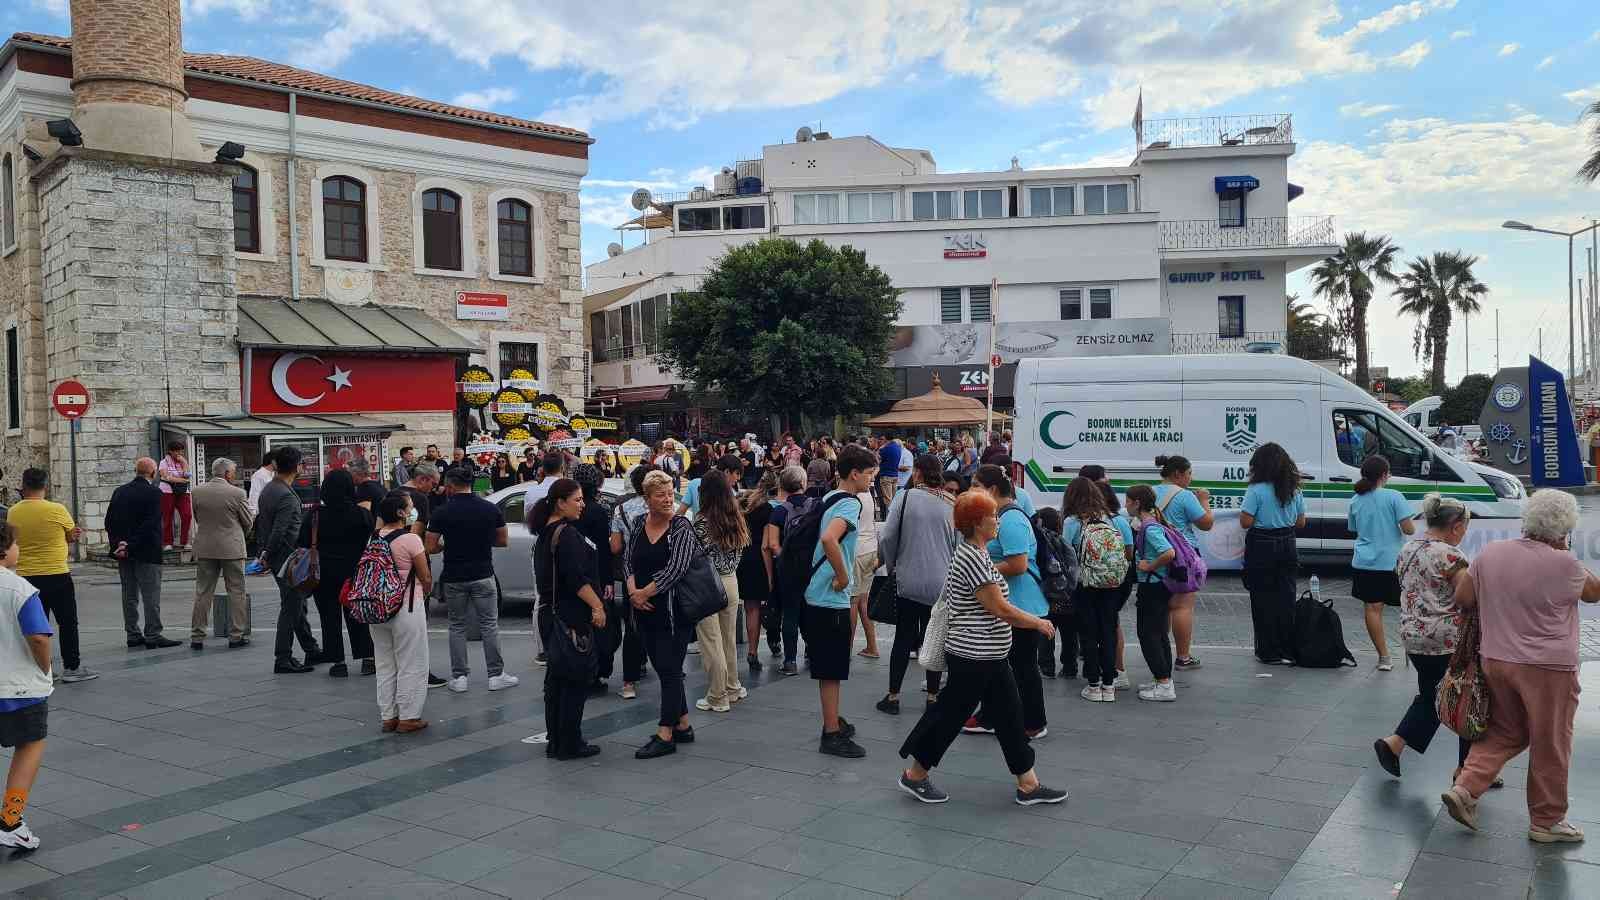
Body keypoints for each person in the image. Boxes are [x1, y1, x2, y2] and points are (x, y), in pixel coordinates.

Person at [1441, 490, 1600, 843]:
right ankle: (1547, 820)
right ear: (1565, 529)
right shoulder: (1566, 564)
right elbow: (1594, 592)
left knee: (1505, 732)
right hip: (1547, 668)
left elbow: (1463, 598)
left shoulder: (1491, 552)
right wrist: (1566, 554)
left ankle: (1465, 788)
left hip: (1496, 660)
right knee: (1551, 741)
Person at [896, 490, 1067, 807]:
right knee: (950, 716)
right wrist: (1037, 623)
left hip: (988, 654)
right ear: (977, 523)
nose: (998, 522)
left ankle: (1028, 784)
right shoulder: (973, 558)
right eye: (992, 517)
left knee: (1010, 717)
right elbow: (999, 608)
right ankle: (915, 775)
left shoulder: (977, 552)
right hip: (974, 655)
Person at [1374, 494, 1474, 781]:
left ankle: (1394, 745)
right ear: (1455, 526)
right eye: (1464, 528)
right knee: (1465, 698)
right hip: (1447, 639)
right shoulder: (1451, 555)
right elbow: (1466, 597)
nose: (1464, 534)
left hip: (1413, 637)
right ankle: (1467, 770)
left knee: (1433, 694)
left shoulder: (1408, 548)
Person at [805, 445, 876, 758]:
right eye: (870, 474)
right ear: (855, 473)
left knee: (828, 666)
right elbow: (829, 538)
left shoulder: (830, 497)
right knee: (832, 668)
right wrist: (844, 577)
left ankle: (834, 721)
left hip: (814, 592)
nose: (872, 480)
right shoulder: (849, 504)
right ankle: (831, 733)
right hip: (829, 596)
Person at [967, 465, 1048, 739]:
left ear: (991, 490)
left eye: (976, 485)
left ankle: (1033, 722)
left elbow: (1018, 564)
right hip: (1005, 604)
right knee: (998, 664)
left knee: (1023, 667)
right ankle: (991, 715)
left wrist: (979, 567)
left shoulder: (1011, 519)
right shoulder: (1000, 516)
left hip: (1021, 604)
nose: (971, 490)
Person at [531, 478, 607, 759]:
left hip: (551, 615)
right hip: (569, 616)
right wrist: (598, 607)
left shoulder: (546, 533)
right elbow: (576, 579)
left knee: (556, 681)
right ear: (560, 503)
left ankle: (557, 740)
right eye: (576, 500)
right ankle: (570, 742)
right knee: (574, 681)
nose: (582, 504)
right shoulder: (566, 534)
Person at [875, 454, 956, 715]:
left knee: (903, 636)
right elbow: (959, 544)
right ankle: (932, 697)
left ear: (918, 473)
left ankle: (893, 696)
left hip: (909, 578)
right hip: (941, 584)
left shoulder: (905, 497)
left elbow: (888, 537)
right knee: (933, 639)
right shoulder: (952, 503)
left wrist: (891, 564)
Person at [626, 470, 699, 759]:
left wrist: (646, 592)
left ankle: (665, 733)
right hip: (644, 610)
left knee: (670, 670)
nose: (668, 499)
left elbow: (677, 569)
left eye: (671, 493)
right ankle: (683, 723)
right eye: (661, 495)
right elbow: (627, 560)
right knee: (664, 667)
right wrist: (633, 591)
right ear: (647, 499)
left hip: (674, 612)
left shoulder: (681, 526)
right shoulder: (636, 523)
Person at [426, 468, 512, 693]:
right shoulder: (489, 508)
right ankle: (496, 675)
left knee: (456, 625)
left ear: (451, 486)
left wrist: (449, 544)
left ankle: (460, 677)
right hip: (483, 573)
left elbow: (430, 546)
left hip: (454, 576)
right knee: (489, 624)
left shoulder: (441, 512)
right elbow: (503, 540)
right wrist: (481, 541)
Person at [7, 469, 94, 682]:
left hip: (27, 575)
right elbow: (70, 535)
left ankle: (41, 668)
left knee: (35, 624)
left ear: (23, 486)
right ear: (45, 485)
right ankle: (72, 668)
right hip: (57, 573)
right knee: (67, 622)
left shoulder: (13, 512)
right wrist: (70, 536)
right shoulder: (57, 509)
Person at [0, 525, 54, 850]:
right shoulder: (19, 589)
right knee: (30, 745)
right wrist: (44, 665)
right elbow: (38, 636)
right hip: (18, 688)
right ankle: (10, 819)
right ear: (4, 550)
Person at [1060, 477, 1127, 702]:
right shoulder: (1112, 519)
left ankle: (1093, 684)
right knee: (1108, 630)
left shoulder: (1072, 522)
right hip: (1111, 582)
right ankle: (1109, 685)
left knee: (1088, 633)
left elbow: (1065, 555)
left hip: (1085, 584)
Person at [1240, 442, 1307, 665]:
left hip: (1261, 545)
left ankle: (1268, 651)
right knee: (1286, 597)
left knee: (1262, 598)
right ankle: (1287, 648)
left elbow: (1246, 521)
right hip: (1288, 543)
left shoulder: (1256, 489)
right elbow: (1301, 522)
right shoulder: (1294, 489)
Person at [371, 492, 431, 734]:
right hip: (406, 606)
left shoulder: (374, 538)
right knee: (411, 661)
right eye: (410, 507)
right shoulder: (411, 539)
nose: (412, 510)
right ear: (400, 512)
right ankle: (408, 716)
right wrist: (424, 592)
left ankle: (388, 716)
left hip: (377, 608)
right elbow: (425, 576)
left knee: (385, 663)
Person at [1348, 455, 1414, 671]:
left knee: (1372, 609)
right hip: (1392, 562)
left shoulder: (1356, 500)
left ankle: (1384, 657)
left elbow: (1354, 529)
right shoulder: (1394, 496)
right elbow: (1409, 529)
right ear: (1385, 475)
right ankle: (1412, 652)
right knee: (1406, 608)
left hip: (1364, 562)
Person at [691, 471, 749, 713]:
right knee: (728, 639)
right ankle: (733, 686)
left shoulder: (701, 521)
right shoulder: (736, 518)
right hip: (731, 582)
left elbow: (695, 556)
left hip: (707, 585)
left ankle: (717, 695)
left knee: (711, 642)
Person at [105, 458, 179, 649]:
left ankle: (132, 633)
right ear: (153, 473)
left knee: (129, 594)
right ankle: (153, 634)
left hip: (123, 552)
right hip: (146, 551)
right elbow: (151, 524)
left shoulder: (119, 491)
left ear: (135, 471)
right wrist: (130, 544)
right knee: (150, 594)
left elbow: (109, 522)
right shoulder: (154, 493)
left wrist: (119, 544)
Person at [257, 446, 319, 673]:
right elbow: (279, 531)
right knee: (291, 607)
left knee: (296, 604)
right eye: (303, 463)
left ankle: (311, 649)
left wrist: (265, 553)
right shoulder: (284, 494)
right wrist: (267, 554)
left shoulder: (271, 489)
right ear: (296, 467)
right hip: (287, 559)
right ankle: (282, 657)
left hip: (279, 558)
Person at [312, 469, 376, 678]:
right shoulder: (361, 514)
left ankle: (338, 662)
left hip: (325, 575)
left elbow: (303, 543)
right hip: (355, 573)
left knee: (329, 618)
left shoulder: (316, 515)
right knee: (358, 615)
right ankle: (367, 658)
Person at [1151, 455, 1211, 670]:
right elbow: (1206, 523)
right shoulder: (1185, 496)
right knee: (1181, 606)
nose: (1190, 478)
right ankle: (1183, 657)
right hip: (1183, 556)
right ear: (1178, 474)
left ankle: (1160, 651)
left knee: (1161, 607)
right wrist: (1204, 500)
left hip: (1155, 553)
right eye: (1189, 474)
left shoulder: (1150, 492)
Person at [189, 458, 254, 651]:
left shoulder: (197, 491)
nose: (234, 475)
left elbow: (198, 517)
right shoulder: (237, 493)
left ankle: (197, 636)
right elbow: (248, 521)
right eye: (233, 472)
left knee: (202, 592)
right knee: (236, 591)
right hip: (232, 547)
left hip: (206, 546)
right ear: (227, 474)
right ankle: (236, 635)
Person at [609, 463, 657, 699]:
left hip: (633, 574)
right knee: (665, 624)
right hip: (659, 573)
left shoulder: (621, 510)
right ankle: (671, 672)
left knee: (632, 627)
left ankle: (629, 682)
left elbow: (616, 546)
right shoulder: (661, 507)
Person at [1125, 485, 1177, 702]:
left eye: (1128, 501)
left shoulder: (1150, 527)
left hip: (1153, 586)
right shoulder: (1153, 524)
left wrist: (1149, 566)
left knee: (1148, 634)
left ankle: (1164, 684)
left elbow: (1168, 553)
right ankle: (1163, 679)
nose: (1125, 505)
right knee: (1160, 633)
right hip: (1159, 586)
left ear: (1137, 503)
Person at [568, 464, 616, 693]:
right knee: (598, 625)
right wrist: (607, 580)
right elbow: (604, 550)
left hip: (572, 573)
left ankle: (579, 670)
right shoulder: (598, 511)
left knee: (578, 623)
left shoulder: (568, 509)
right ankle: (595, 672)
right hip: (594, 573)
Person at [765, 465, 810, 675]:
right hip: (812, 569)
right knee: (811, 612)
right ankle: (812, 651)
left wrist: (786, 560)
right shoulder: (816, 506)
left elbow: (773, 544)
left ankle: (790, 661)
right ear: (803, 483)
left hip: (787, 571)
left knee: (790, 614)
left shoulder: (779, 511)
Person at [737, 470, 778, 673]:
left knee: (748, 607)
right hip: (758, 560)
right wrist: (770, 575)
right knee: (757, 608)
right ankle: (754, 650)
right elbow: (766, 545)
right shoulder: (768, 510)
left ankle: (750, 651)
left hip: (741, 556)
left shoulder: (743, 503)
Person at [849, 468, 881, 661]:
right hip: (870, 549)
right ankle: (872, 645)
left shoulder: (855, 496)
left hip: (857, 550)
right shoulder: (869, 492)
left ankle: (846, 648)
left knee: (852, 601)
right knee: (863, 600)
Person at [156, 440, 194, 550]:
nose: (179, 454)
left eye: (181, 451)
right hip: (167, 491)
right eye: (177, 451)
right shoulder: (164, 462)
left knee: (187, 515)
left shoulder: (182, 461)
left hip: (182, 491)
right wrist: (182, 480)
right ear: (170, 451)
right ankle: (168, 542)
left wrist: (184, 463)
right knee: (167, 516)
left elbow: (187, 475)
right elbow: (166, 476)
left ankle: (185, 541)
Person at [876, 434, 902, 510]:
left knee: (888, 499)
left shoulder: (885, 448)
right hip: (895, 475)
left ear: (885, 439)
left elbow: (877, 459)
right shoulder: (898, 447)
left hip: (886, 475)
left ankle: (889, 518)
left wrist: (880, 449)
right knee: (894, 499)